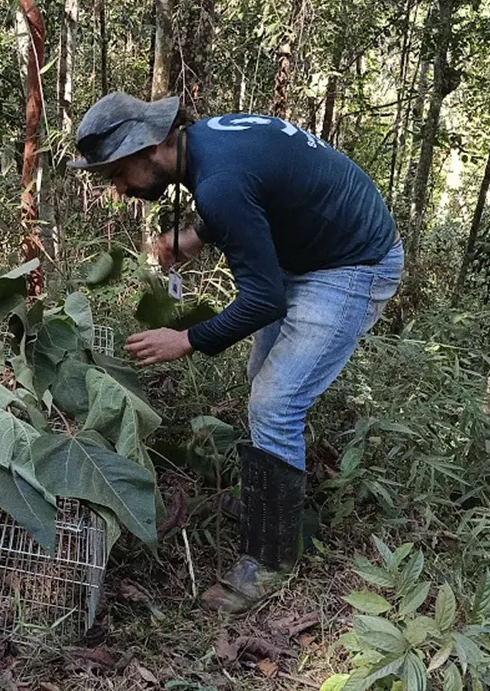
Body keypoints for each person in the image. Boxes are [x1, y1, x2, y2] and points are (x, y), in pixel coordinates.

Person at [70, 93, 402, 613]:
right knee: (261, 381)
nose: (117, 187)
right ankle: (265, 498)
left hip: (352, 265)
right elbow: (259, 189)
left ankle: (268, 562)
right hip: (307, 251)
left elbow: (263, 298)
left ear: (152, 147)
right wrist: (195, 236)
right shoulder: (207, 143)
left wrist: (186, 339)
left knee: (275, 403)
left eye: (117, 172)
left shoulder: (218, 181)